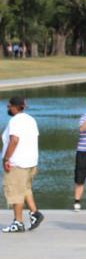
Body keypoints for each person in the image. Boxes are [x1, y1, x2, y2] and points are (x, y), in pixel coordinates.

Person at [1, 97, 44, 233]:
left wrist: (6, 159)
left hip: (17, 162)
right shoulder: (31, 120)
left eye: (9, 106)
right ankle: (35, 214)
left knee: (16, 193)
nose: (7, 108)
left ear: (15, 107)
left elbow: (14, 140)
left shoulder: (15, 121)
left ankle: (18, 223)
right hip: (31, 162)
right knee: (25, 189)